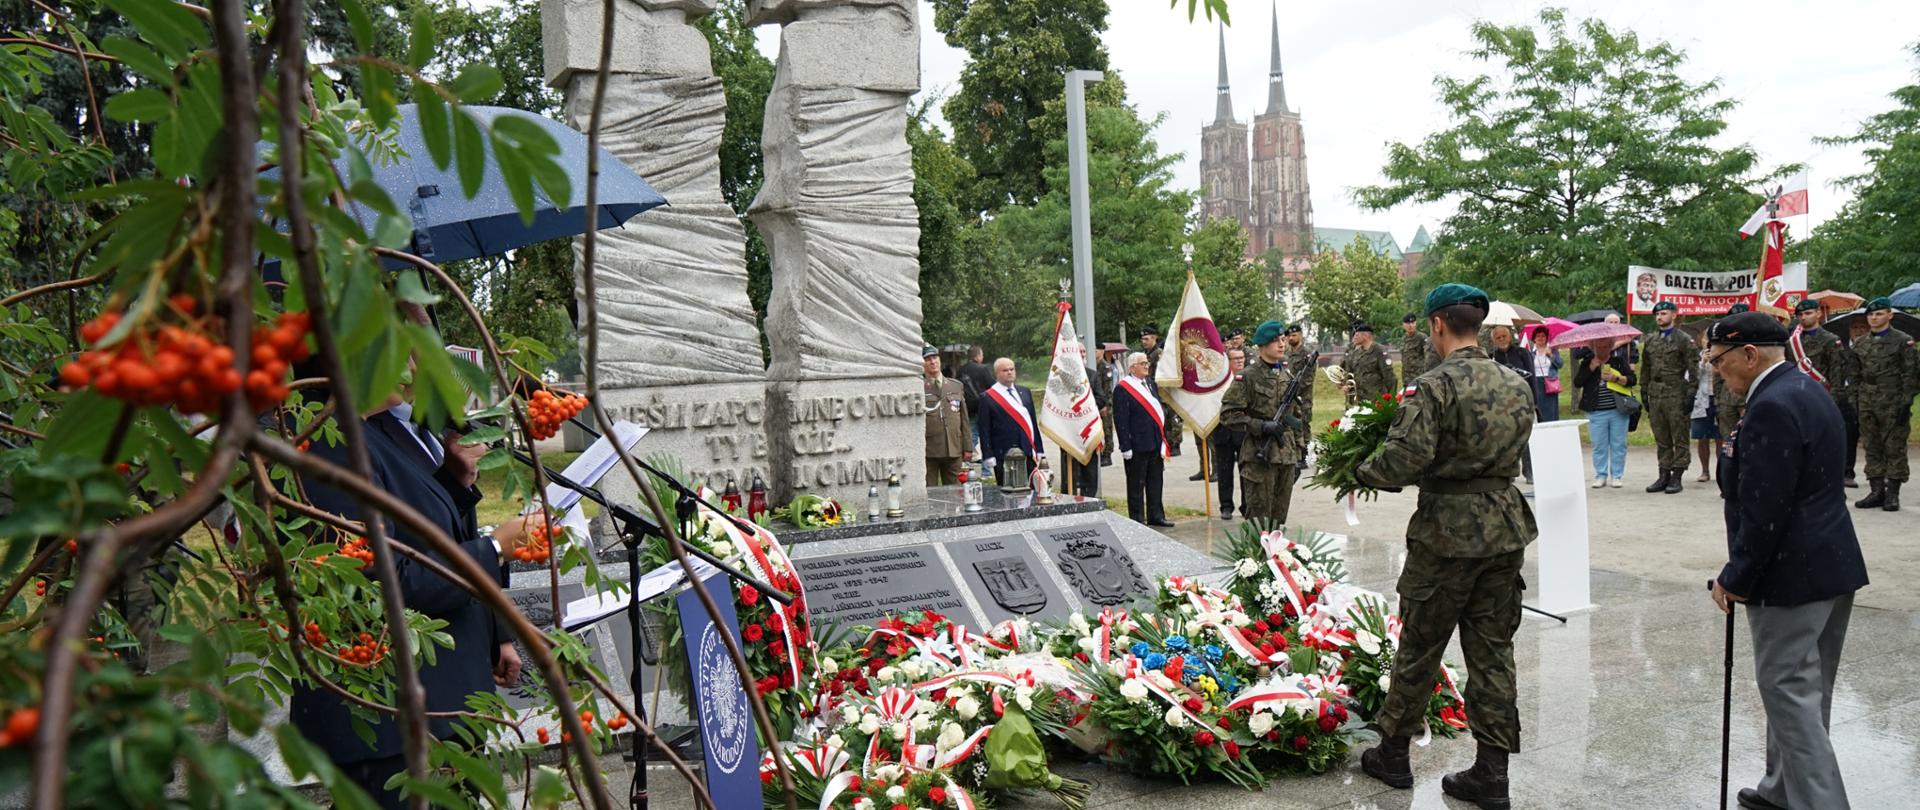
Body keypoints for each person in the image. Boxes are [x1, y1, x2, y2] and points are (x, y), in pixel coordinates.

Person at [295, 390, 535, 808]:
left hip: (448, 699)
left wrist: (497, 634)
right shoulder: (334, 441)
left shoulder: (405, 431)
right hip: (391, 718)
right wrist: (496, 549)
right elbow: (380, 580)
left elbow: (429, 535)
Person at [1354, 284, 1537, 808]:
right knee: (1494, 654)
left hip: (1446, 535)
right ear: (1476, 325)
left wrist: (1360, 470)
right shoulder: (1516, 383)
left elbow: (1402, 461)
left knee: (1421, 645)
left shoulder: (1431, 387)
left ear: (1437, 324)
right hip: (1504, 531)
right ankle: (1492, 772)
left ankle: (1393, 756)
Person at [1706, 311, 1869, 810]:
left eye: (1719, 361)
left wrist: (1735, 577)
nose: (1716, 371)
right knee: (1806, 690)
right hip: (1830, 562)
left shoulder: (1772, 406)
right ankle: (1782, 789)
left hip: (1791, 574)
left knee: (1788, 692)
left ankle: (1822, 803)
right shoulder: (1806, 388)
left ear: (1749, 355)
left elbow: (1765, 509)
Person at [1222, 321, 1309, 524]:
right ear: (1261, 346)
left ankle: (1276, 556)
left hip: (1285, 457)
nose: (1281, 344)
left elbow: (1295, 417)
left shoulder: (1286, 375)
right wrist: (1260, 426)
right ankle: (1256, 556)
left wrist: (1298, 452)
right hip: (1260, 457)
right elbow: (1228, 415)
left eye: (1282, 340)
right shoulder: (1248, 377)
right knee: (1259, 522)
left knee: (1279, 521)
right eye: (1275, 341)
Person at [1850, 297, 1919, 510]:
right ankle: (1876, 490)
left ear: (1890, 315)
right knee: (1872, 445)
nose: (1874, 317)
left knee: (1894, 446)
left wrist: (1906, 401)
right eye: (1870, 314)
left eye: (1879, 313)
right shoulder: (1860, 343)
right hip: (1867, 399)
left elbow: (1911, 373)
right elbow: (1854, 375)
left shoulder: (1903, 341)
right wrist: (1854, 401)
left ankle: (1893, 493)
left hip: (1893, 399)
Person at [1639, 300, 1698, 494]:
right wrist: (1644, 391)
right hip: (1656, 393)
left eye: (1663, 313)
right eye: (1657, 314)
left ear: (1674, 315)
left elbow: (1693, 370)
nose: (1659, 317)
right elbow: (1645, 367)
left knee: (1679, 435)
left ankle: (1677, 476)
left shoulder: (1683, 339)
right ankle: (1663, 474)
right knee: (1661, 436)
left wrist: (1690, 395)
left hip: (1676, 392)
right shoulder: (1650, 339)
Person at [1112, 351, 1172, 527]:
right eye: (1143, 363)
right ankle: (1137, 520)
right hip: (1136, 444)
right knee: (1136, 485)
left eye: (1147, 363)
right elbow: (1120, 419)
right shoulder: (1123, 388)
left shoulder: (1151, 384)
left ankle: (1156, 515)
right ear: (1132, 367)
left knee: (1155, 482)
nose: (1147, 366)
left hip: (1154, 442)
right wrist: (1125, 446)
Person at [1573, 335, 1636, 488]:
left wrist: (1616, 378)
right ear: (1593, 348)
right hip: (1595, 411)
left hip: (1618, 410)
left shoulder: (1618, 362)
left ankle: (1617, 475)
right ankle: (1600, 475)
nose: (1602, 350)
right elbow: (1577, 382)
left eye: (1605, 347)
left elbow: (1632, 380)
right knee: (1599, 445)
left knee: (1619, 444)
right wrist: (1591, 368)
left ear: (1611, 347)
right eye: (1598, 347)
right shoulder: (1587, 362)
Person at [975, 357, 1042, 482]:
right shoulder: (988, 397)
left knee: (1030, 489)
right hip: (1003, 453)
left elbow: (1032, 423)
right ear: (997, 373)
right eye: (1005, 370)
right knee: (1007, 491)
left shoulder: (1025, 392)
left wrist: (1039, 449)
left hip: (1027, 450)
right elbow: (984, 429)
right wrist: (988, 455)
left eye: (1012, 369)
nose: (1010, 372)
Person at [1487, 325, 1535, 483]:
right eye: (1498, 338)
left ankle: (1529, 472)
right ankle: (1508, 470)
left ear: (1510, 337)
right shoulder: (1491, 357)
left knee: (1525, 439)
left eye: (1504, 336)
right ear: (1493, 340)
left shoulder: (1522, 352)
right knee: (1505, 439)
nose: (1502, 340)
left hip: (1522, 401)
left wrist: (1534, 402)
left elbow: (1532, 377)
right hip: (1502, 404)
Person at [922, 345, 972, 486]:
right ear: (922, 363)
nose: (932, 362)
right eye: (927, 359)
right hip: (929, 449)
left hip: (953, 447)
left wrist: (967, 446)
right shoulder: (918, 387)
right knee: (929, 491)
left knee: (954, 492)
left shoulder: (955, 385)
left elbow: (964, 418)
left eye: (934, 358)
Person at [1213, 348, 1249, 519]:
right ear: (1228, 361)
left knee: (1247, 472)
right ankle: (1226, 506)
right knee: (1225, 472)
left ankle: (1246, 505)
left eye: (1242, 358)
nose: (1240, 361)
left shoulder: (1249, 379)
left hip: (1243, 433)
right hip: (1223, 432)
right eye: (1236, 359)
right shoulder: (1219, 383)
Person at [1141, 326, 1184, 457]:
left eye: (1146, 339)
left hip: (1162, 392)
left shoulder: (1158, 354)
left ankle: (1174, 444)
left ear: (1154, 338)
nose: (1143, 341)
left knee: (1171, 419)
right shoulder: (1147, 355)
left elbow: (1160, 374)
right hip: (1152, 392)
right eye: (1142, 339)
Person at [1283, 324, 1315, 468]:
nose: (1291, 338)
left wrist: (1295, 389)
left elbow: (1308, 377)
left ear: (1301, 335)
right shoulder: (1286, 353)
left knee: (1304, 422)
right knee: (1292, 422)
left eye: (1294, 335)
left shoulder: (1307, 353)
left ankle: (1306, 454)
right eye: (1289, 335)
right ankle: (1296, 453)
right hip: (1289, 394)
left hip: (1303, 395)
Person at [1690, 330, 1720, 482]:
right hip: (1702, 400)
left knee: (1721, 437)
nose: (1708, 341)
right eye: (1705, 338)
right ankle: (1705, 471)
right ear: (1700, 340)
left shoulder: (1723, 354)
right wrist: (1703, 362)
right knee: (1702, 437)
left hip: (1719, 399)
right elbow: (1690, 377)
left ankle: (1721, 471)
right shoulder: (1696, 357)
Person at [1342, 321, 1393, 407]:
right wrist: (1345, 385)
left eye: (1357, 335)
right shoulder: (1357, 352)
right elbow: (1351, 372)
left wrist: (1390, 399)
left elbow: (1389, 377)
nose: (1354, 337)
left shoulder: (1379, 351)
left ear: (1366, 336)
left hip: (1376, 399)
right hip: (1359, 400)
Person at [1528, 327, 1562, 423]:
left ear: (1546, 338)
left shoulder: (1553, 350)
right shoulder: (1531, 353)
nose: (1540, 338)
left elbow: (1560, 364)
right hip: (1536, 383)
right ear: (1534, 338)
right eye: (1538, 336)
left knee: (1551, 409)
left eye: (1543, 336)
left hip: (1550, 382)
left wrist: (1551, 355)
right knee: (1538, 408)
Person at [1399, 313, 1433, 387]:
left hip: (1419, 376)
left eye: (1413, 323)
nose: (1410, 325)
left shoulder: (1422, 337)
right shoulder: (1403, 339)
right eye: (1408, 323)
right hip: (1406, 378)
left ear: (1415, 323)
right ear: (1403, 325)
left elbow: (1429, 357)